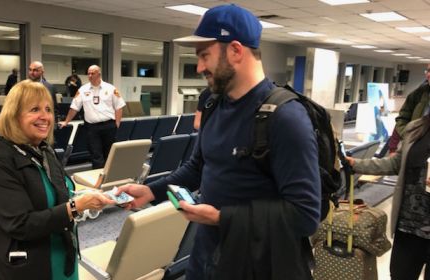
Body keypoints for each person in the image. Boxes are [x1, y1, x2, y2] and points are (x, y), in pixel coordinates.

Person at [117, 4, 320, 279]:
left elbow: (305, 215)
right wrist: (151, 191)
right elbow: (198, 166)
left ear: (236, 50)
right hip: (207, 256)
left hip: (256, 264)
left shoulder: (285, 118)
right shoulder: (214, 105)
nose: (199, 66)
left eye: (204, 56)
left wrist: (221, 218)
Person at [0, 80, 114, 280]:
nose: (45, 117)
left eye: (48, 109)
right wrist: (75, 207)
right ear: (14, 116)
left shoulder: (43, 149)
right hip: (25, 266)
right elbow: (20, 224)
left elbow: (59, 193)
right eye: (34, 109)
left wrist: (91, 196)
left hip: (60, 253)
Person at [346, 114, 430, 280]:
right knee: (400, 275)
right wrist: (356, 164)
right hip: (409, 226)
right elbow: (395, 163)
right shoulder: (418, 128)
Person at [59, 65, 126, 169]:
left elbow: (119, 106)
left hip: (109, 126)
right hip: (92, 128)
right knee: (96, 155)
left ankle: (109, 179)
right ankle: (98, 179)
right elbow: (74, 107)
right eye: (88, 73)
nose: (90, 75)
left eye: (92, 73)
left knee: (109, 155)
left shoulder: (110, 88)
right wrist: (66, 122)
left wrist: (117, 123)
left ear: (99, 74)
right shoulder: (83, 89)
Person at [389, 67, 430, 153]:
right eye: (428, 71)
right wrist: (393, 148)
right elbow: (402, 119)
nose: (429, 74)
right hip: (414, 148)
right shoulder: (419, 93)